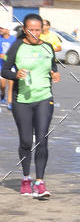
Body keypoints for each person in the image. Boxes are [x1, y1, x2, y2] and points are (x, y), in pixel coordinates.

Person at [0, 13, 60, 198]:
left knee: (42, 139)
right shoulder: (17, 46)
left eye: (38, 30)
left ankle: (40, 182)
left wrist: (55, 75)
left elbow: (53, 69)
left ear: (42, 30)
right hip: (22, 100)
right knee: (26, 141)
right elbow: (4, 70)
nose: (34, 33)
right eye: (31, 30)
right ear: (25, 30)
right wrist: (15, 75)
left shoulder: (48, 47)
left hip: (44, 98)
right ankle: (26, 178)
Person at [0, 26, 14, 108]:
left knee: (11, 83)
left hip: (11, 65)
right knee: (2, 84)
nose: (0, 30)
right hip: (1, 64)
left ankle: (10, 102)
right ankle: (2, 94)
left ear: (8, 30)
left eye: (2, 28)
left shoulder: (14, 39)